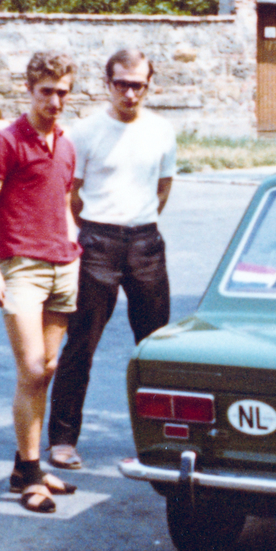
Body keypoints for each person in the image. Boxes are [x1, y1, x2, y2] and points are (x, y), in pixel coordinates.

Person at [45, 48, 180, 471]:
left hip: (145, 243)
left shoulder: (162, 131)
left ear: (149, 85)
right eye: (121, 84)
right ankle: (63, 440)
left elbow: (163, 187)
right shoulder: (84, 132)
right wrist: (89, 232)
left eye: (138, 84)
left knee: (155, 348)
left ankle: (158, 442)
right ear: (108, 84)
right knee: (80, 345)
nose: (130, 93)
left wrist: (139, 223)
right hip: (96, 243)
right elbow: (71, 193)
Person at [0, 51, 82, 513]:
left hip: (63, 266)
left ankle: (25, 464)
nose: (55, 101)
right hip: (21, 267)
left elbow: (66, 203)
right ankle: (31, 479)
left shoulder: (67, 144)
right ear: (30, 89)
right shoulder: (4, 142)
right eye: (47, 92)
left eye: (62, 92)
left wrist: (73, 246)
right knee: (32, 371)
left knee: (49, 368)